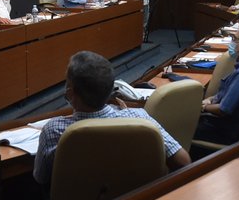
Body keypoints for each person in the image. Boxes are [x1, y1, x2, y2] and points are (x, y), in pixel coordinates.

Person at [33, 51, 189, 185]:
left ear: (71, 91)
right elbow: (184, 162)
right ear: (112, 89)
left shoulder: (53, 130)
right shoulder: (140, 119)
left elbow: (41, 179)